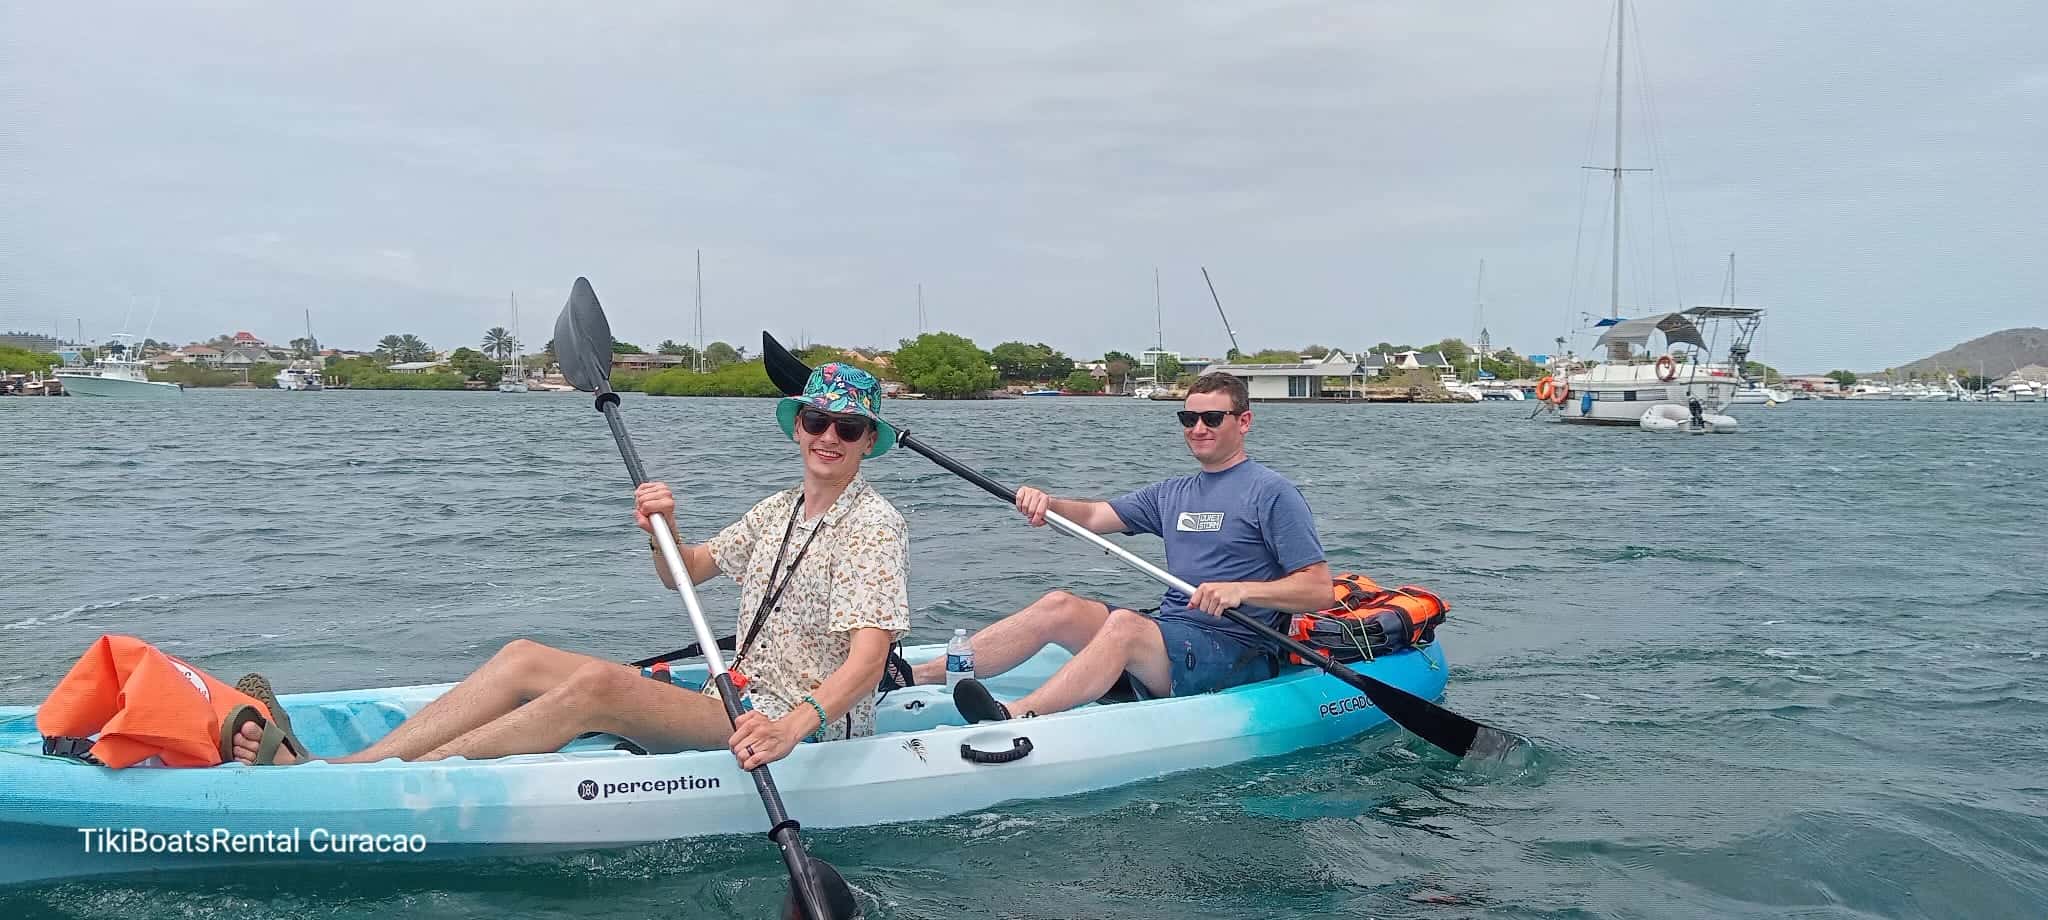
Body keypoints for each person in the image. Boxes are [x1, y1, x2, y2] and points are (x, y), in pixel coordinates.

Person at [229, 363, 910, 768]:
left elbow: (868, 662)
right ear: (798, 427)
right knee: (523, 655)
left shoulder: (872, 525)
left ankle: (376, 782)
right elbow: (683, 572)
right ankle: (350, 765)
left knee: (599, 686)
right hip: (731, 699)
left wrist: (790, 727)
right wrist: (663, 529)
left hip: (797, 730)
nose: (829, 437)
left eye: (847, 428)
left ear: (867, 442)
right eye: (817, 422)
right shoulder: (780, 508)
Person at [915, 372, 1332, 721]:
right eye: (1188, 418)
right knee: (1059, 605)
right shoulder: (1172, 493)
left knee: (1126, 626)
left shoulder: (1273, 494)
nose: (1198, 428)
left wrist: (1241, 590)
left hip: (1237, 648)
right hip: (1174, 633)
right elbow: (1095, 516)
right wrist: (1049, 504)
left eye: (1212, 418)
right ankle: (913, 676)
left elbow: (1317, 590)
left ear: (1243, 422)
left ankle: (1015, 715)